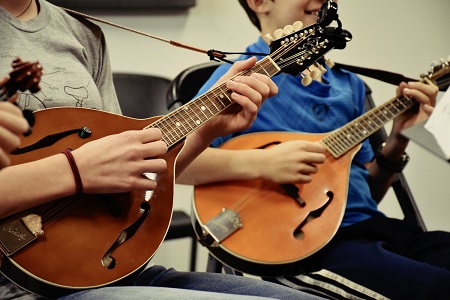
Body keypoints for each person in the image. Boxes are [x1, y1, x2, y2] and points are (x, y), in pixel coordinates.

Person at [0, 1, 329, 300]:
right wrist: (75, 170)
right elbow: (88, 169)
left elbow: (133, 173)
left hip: (98, 269)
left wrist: (206, 129)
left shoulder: (81, 32)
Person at [176, 0, 450, 299]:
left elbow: (362, 194)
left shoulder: (351, 86)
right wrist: (262, 162)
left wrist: (398, 139)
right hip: (303, 247)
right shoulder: (241, 79)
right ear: (259, 2)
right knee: (434, 288)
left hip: (374, 230)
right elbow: (177, 162)